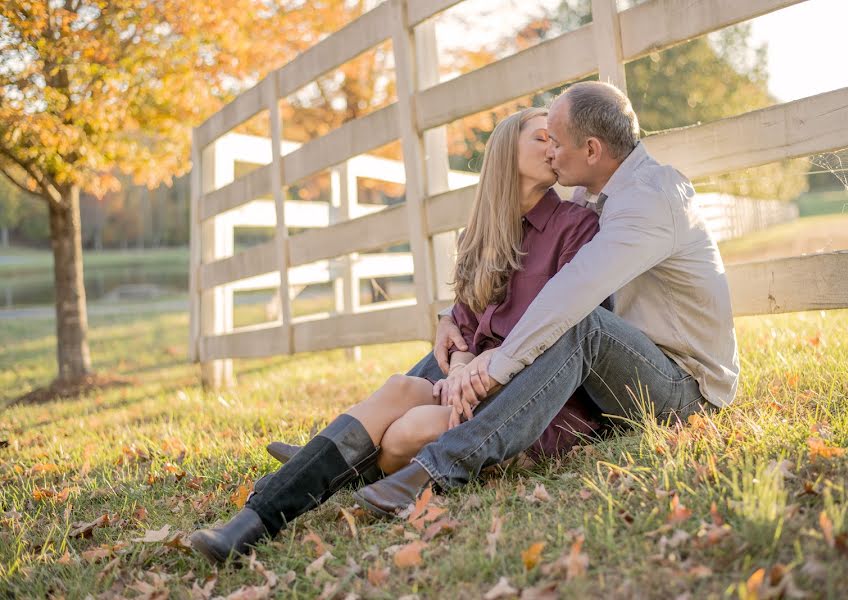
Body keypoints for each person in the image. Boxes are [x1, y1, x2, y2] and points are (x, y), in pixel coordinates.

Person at [190, 107, 607, 563]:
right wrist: (463, 366)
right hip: (474, 385)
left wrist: (473, 372)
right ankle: (255, 520)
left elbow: (559, 334)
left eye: (558, 140)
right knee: (401, 388)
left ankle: (328, 464)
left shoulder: (576, 226)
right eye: (542, 138)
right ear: (507, 153)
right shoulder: (484, 233)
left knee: (407, 431)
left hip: (534, 402)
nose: (555, 148)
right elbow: (466, 323)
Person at [353, 81, 740, 517]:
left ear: (591, 150)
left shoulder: (649, 199)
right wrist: (453, 319)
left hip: (684, 389)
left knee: (582, 323)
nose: (551, 152)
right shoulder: (590, 193)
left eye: (555, 142)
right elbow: (525, 282)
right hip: (620, 371)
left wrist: (495, 368)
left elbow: (568, 297)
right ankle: (347, 449)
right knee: (448, 362)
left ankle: (439, 468)